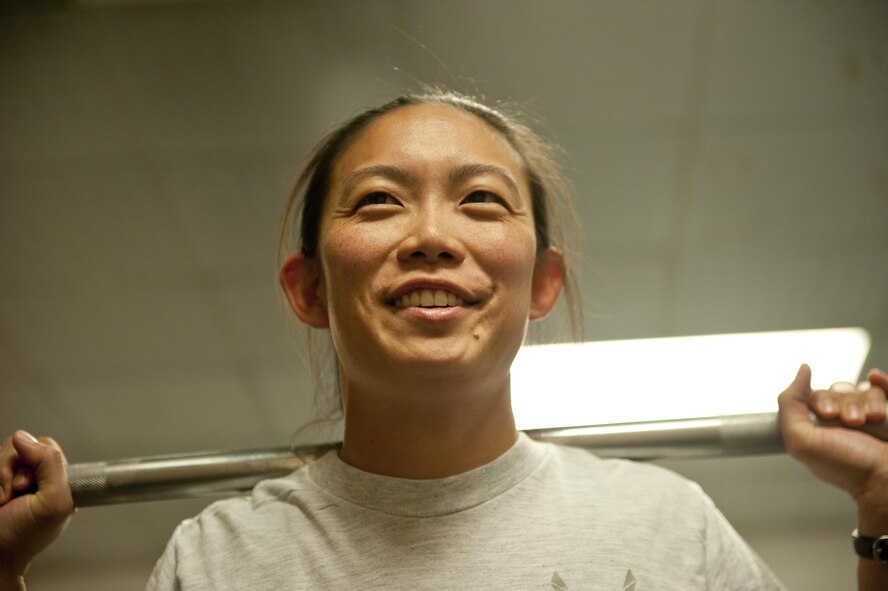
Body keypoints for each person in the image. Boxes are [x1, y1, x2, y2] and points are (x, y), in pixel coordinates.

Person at [1, 91, 887, 590]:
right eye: (380, 200)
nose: (432, 234)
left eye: (482, 200)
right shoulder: (220, 560)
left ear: (541, 281)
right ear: (309, 288)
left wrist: (883, 509)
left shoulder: (669, 530)